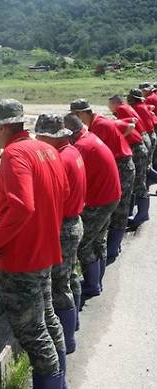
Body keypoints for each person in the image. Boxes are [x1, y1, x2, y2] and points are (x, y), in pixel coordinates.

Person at [0, 100, 69, 389]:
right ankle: (62, 378)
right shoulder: (48, 150)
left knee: (33, 333)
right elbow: (61, 194)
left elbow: (22, 207)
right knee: (48, 320)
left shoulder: (14, 155)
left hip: (24, 259)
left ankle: (53, 384)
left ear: (1, 128)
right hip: (47, 250)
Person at [34, 114, 86, 355]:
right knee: (70, 277)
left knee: (60, 286)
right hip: (75, 222)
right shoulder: (72, 152)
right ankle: (73, 326)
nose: (38, 142)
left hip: (65, 227)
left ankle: (68, 341)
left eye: (41, 137)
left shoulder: (61, 159)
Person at [70, 99, 134, 266]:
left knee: (118, 214)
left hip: (121, 165)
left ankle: (113, 251)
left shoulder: (98, 127)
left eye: (77, 115)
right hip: (117, 168)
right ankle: (110, 254)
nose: (78, 119)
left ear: (82, 113)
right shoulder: (96, 125)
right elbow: (130, 125)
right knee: (103, 230)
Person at [64, 114, 120, 300]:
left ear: (70, 133)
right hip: (110, 195)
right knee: (98, 240)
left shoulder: (81, 147)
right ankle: (97, 281)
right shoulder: (89, 138)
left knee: (84, 244)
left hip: (100, 200)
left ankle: (92, 285)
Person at [108, 95, 151, 230]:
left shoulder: (121, 109)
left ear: (115, 103)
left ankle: (143, 214)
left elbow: (132, 124)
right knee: (138, 180)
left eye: (109, 105)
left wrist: (123, 135)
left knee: (139, 182)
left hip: (137, 147)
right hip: (140, 143)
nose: (109, 108)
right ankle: (138, 212)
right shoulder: (125, 108)